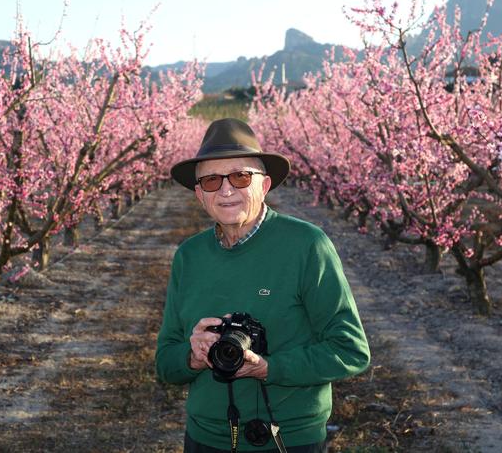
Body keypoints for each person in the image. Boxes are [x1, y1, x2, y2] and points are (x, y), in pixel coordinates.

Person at [156, 118, 370, 453]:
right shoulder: (189, 256)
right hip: (205, 437)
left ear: (265, 184)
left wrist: (268, 368)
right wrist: (193, 356)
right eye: (211, 180)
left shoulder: (306, 246)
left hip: (287, 438)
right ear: (199, 194)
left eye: (241, 176)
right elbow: (165, 362)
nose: (226, 190)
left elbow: (350, 350)